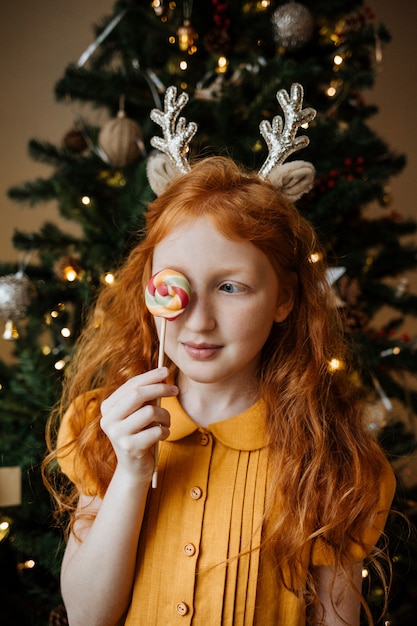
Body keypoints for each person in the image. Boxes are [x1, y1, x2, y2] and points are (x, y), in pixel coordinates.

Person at [43, 86, 396, 625]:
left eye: (231, 288)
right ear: (150, 289)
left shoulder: (330, 456)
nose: (198, 319)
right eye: (177, 286)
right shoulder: (102, 429)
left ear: (284, 298)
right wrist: (132, 473)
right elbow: (88, 616)